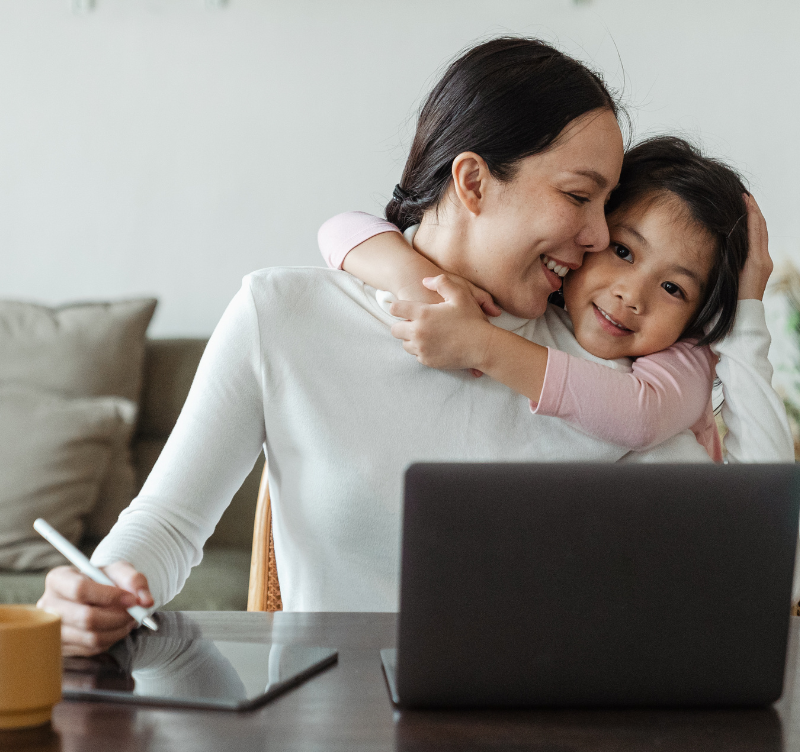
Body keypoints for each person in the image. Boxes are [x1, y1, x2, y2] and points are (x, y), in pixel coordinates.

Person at [36, 38, 790, 657]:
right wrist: (99, 585)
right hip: (328, 727)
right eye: (577, 196)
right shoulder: (283, 315)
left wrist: (748, 312)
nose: (597, 238)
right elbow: (167, 525)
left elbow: (755, 558)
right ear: (472, 181)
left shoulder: (613, 369)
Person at [317, 138, 789, 462]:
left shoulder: (684, 357)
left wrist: (746, 311)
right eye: (622, 251)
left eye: (673, 288)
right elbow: (340, 228)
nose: (632, 294)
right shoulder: (537, 304)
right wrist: (418, 282)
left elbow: (640, 415)